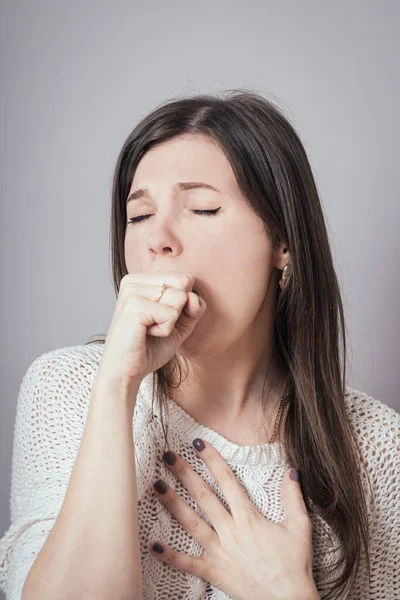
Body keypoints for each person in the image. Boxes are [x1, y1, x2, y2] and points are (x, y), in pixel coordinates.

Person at [0, 90, 399, 600]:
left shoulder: (381, 452)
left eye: (203, 208)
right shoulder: (69, 390)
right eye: (138, 216)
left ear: (283, 244)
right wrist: (116, 388)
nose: (158, 239)